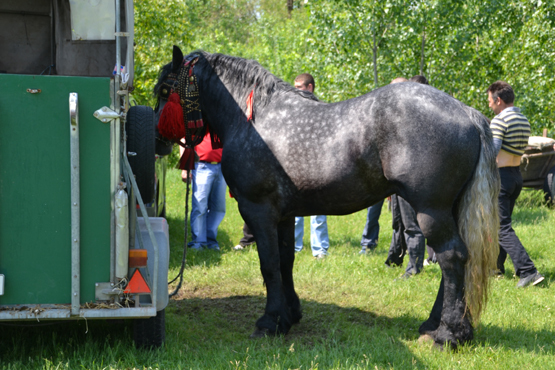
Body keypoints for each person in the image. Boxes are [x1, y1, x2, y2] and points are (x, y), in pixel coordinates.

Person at [487, 80, 544, 287]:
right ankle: (496, 267)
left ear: (499, 100)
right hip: (516, 176)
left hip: (501, 178)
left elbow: (492, 152)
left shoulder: (499, 121)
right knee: (501, 224)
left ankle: (528, 270)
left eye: (490, 101)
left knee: (502, 227)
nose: (489, 106)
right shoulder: (523, 120)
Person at [384, 76, 427, 279]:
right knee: (398, 221)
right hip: (397, 176)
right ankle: (395, 257)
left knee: (411, 225)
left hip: (410, 176)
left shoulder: (416, 115)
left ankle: (415, 267)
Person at [293, 73, 330, 259]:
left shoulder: (322, 109)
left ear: (310, 88)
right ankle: (294, 247)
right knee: (295, 213)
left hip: (317, 167)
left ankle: (320, 250)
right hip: (297, 166)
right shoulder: (292, 111)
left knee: (318, 213)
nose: (295, 90)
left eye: (299, 87)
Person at [182, 128, 227, 250]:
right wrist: (185, 167)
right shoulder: (199, 117)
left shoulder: (220, 116)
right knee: (200, 205)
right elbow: (184, 138)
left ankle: (211, 241)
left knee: (218, 207)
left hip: (222, 166)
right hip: (201, 165)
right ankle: (198, 242)